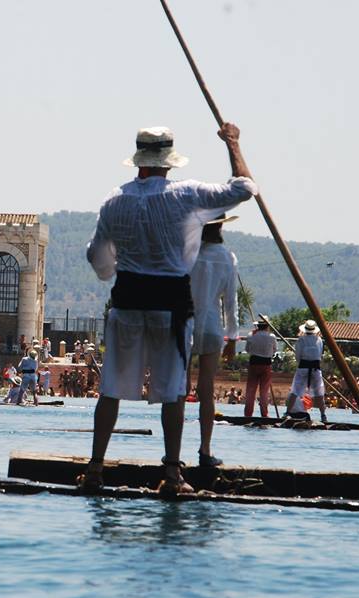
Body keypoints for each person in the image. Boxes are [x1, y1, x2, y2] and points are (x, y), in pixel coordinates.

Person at [77, 122, 257, 496]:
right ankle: (173, 476)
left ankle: (95, 469)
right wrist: (233, 144)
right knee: (173, 391)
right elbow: (244, 188)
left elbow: (98, 258)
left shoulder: (114, 200)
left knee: (110, 388)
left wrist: (115, 267)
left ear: (139, 160)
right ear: (169, 162)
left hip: (126, 301)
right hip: (170, 305)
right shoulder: (186, 195)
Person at [188, 214, 240, 467]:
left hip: (185, 324)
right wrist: (232, 336)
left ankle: (172, 454)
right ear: (220, 226)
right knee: (206, 391)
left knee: (179, 389)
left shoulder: (187, 252)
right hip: (211, 326)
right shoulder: (227, 257)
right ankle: (205, 450)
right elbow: (230, 302)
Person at [285, 320, 328, 423]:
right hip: (316, 368)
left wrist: (303, 363)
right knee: (319, 393)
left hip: (303, 367)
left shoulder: (301, 340)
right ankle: (323, 415)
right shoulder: (319, 340)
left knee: (295, 390)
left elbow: (298, 357)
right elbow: (319, 355)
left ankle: (287, 413)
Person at [244, 317, 278, 418]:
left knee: (250, 390)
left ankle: (248, 414)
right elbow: (274, 350)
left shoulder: (251, 335)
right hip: (266, 365)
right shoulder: (272, 336)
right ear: (267, 326)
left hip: (254, 363)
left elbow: (247, 349)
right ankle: (264, 414)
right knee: (264, 391)